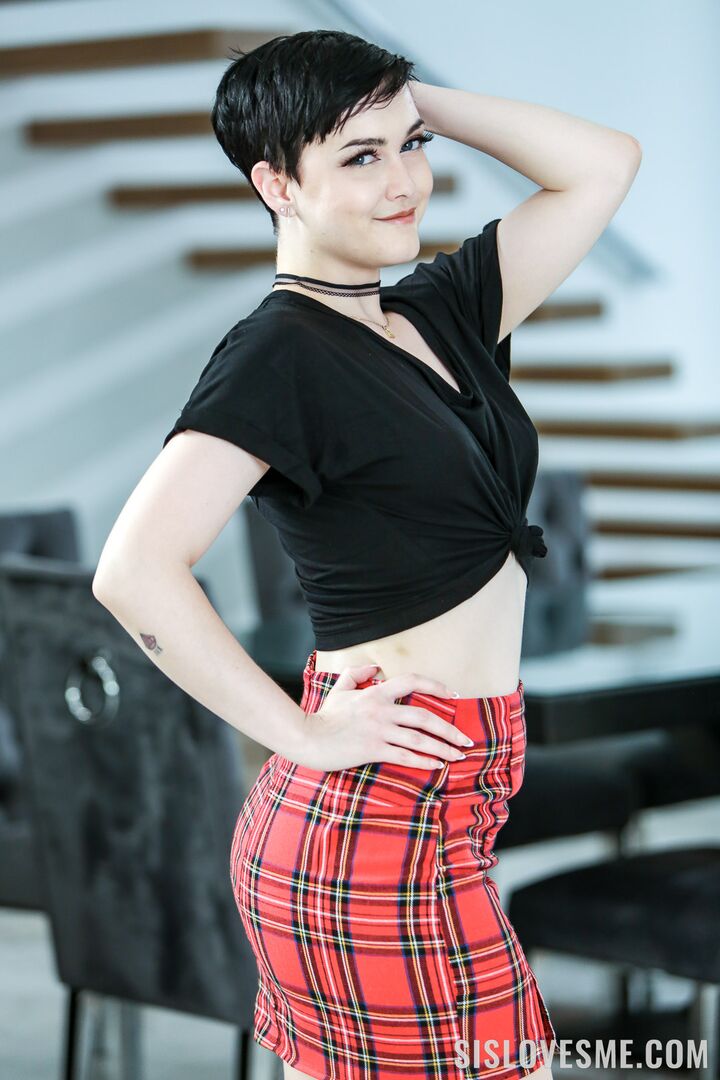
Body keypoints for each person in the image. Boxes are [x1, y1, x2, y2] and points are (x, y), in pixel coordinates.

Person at [93, 28, 641, 1080]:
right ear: (276, 185)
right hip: (375, 827)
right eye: (359, 156)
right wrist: (299, 733)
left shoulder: (443, 308)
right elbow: (134, 571)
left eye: (412, 145)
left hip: (444, 812)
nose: (405, 182)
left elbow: (602, 164)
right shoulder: (279, 350)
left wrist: (400, 96)